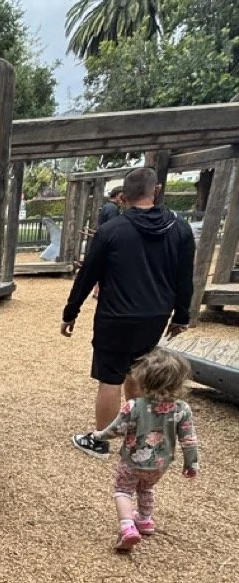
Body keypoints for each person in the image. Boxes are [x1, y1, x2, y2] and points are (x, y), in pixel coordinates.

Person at [61, 165, 196, 457]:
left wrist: (71, 311)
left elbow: (88, 274)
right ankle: (134, 431)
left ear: (123, 195)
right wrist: (181, 315)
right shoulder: (180, 229)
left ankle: (100, 439)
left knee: (110, 376)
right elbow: (185, 277)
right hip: (156, 315)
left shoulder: (112, 231)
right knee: (137, 369)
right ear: (156, 190)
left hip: (116, 314)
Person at [92, 348, 199, 551]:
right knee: (146, 488)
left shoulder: (134, 406)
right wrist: (191, 463)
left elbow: (116, 429)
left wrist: (98, 435)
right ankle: (145, 520)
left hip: (132, 461)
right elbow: (188, 439)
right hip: (160, 464)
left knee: (123, 491)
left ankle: (127, 527)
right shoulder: (182, 409)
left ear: (144, 379)